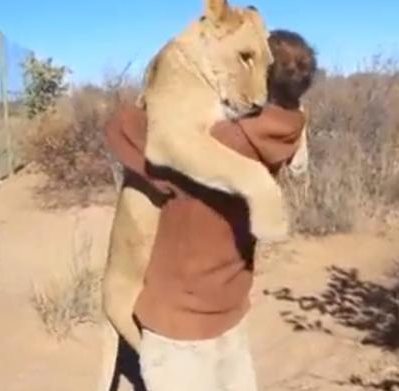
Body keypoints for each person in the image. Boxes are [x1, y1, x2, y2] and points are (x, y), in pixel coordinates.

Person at [104, 29, 317, 391]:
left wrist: (165, 86)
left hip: (179, 324)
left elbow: (123, 129)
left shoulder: (216, 147)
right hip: (229, 307)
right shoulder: (288, 130)